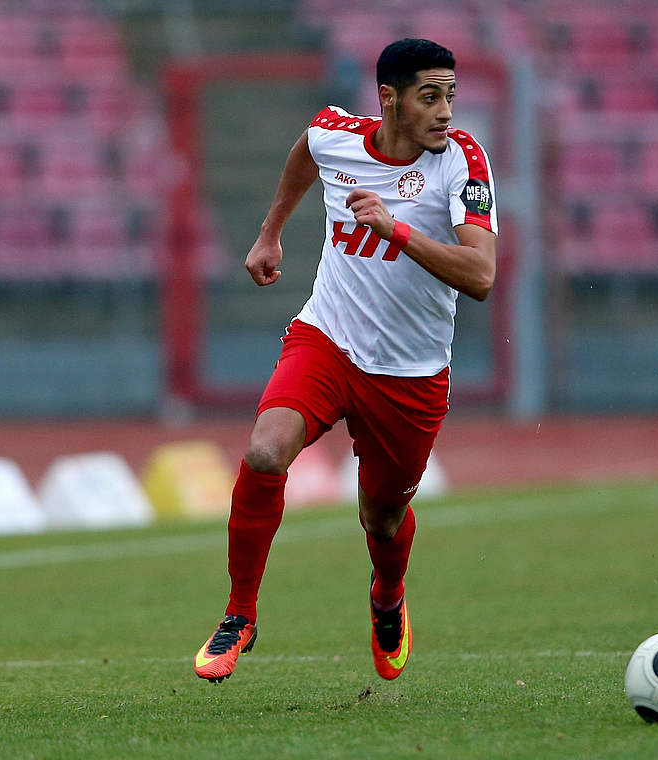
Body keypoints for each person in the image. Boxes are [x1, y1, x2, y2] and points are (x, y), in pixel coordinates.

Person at [193, 38, 498, 683]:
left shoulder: (464, 163)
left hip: (409, 372)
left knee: (380, 516)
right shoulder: (338, 134)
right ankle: (239, 613)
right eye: (429, 97)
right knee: (264, 452)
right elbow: (306, 148)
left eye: (450, 96)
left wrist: (397, 229)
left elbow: (480, 275)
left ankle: (387, 598)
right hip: (327, 339)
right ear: (388, 99)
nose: (445, 112)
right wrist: (271, 229)